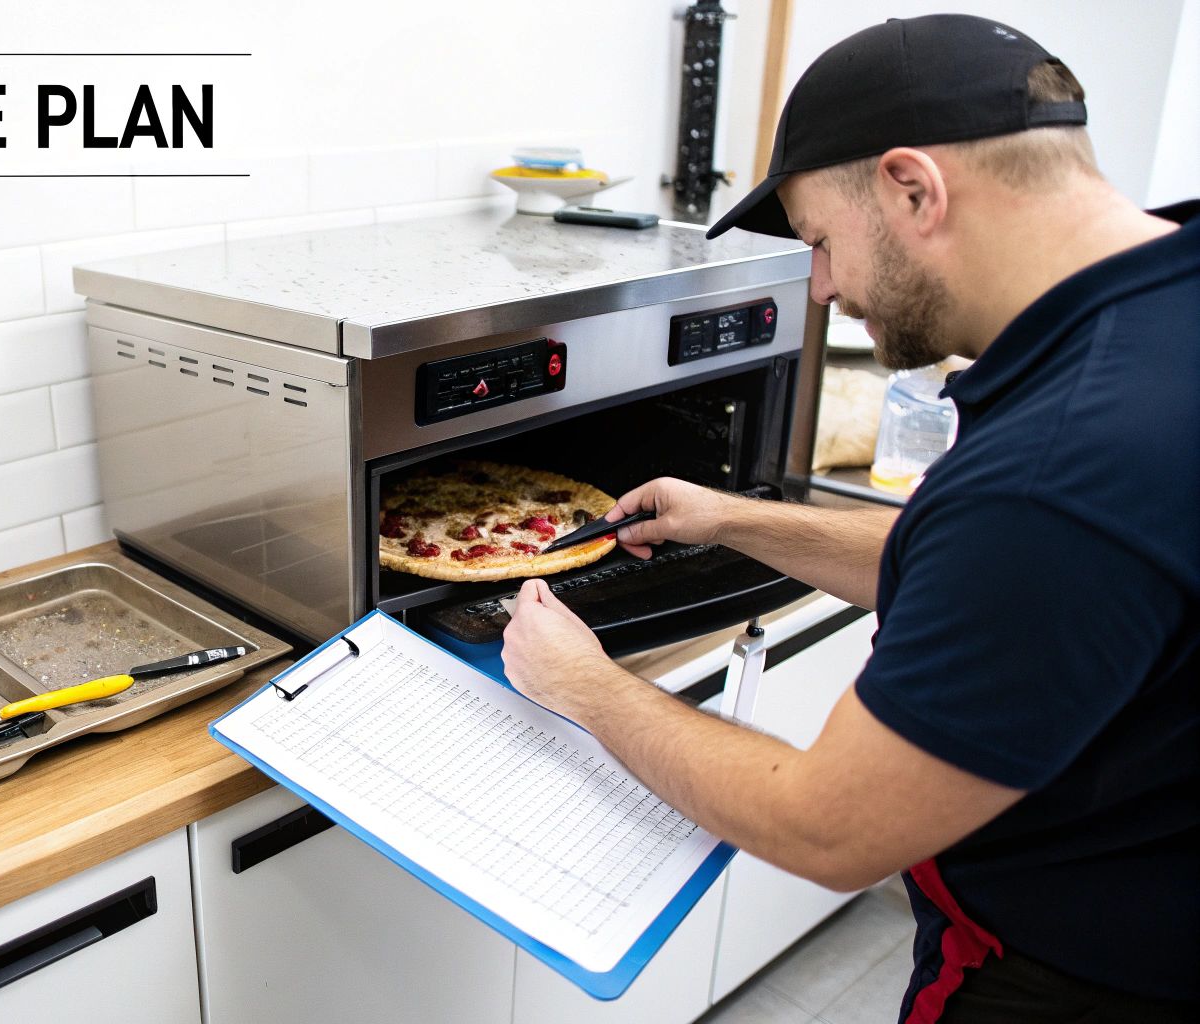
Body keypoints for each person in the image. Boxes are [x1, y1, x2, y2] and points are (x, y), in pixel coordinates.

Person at [500, 14, 1198, 1024]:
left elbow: (825, 827)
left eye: (820, 240)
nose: (819, 285)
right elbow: (999, 582)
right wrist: (737, 520)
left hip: (1065, 976)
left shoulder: (1057, 468)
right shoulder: (1159, 304)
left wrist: (583, 686)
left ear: (913, 187)